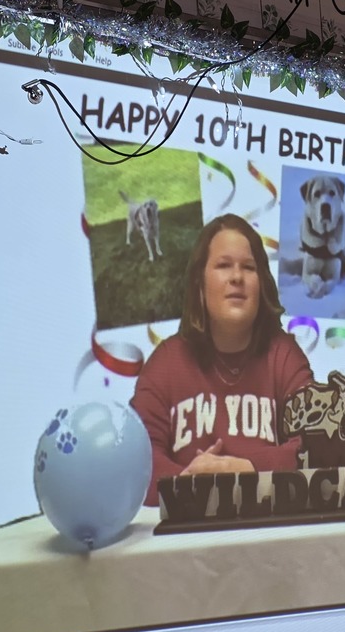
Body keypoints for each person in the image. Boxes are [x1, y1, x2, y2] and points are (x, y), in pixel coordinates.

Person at [132, 214, 313, 505]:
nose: (237, 277)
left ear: (262, 284)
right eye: (223, 265)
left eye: (249, 267)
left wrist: (248, 468)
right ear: (200, 285)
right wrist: (187, 484)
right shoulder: (165, 363)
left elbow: (317, 446)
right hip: (185, 539)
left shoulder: (284, 356)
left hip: (267, 530)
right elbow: (134, 458)